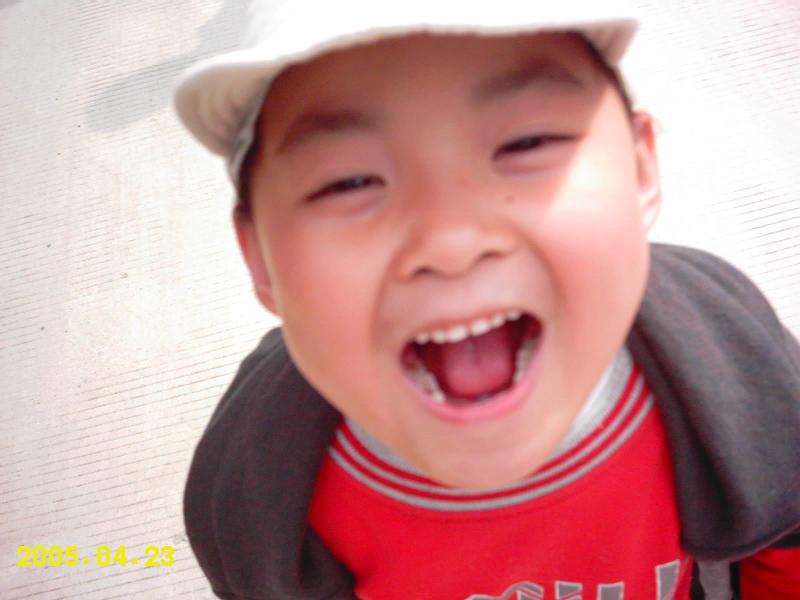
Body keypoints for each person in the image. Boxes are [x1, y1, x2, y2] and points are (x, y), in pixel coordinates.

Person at [173, 1, 800, 598]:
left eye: (527, 144)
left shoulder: (738, 369)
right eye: (348, 181)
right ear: (260, 260)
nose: (451, 242)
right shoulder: (258, 496)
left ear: (640, 172)